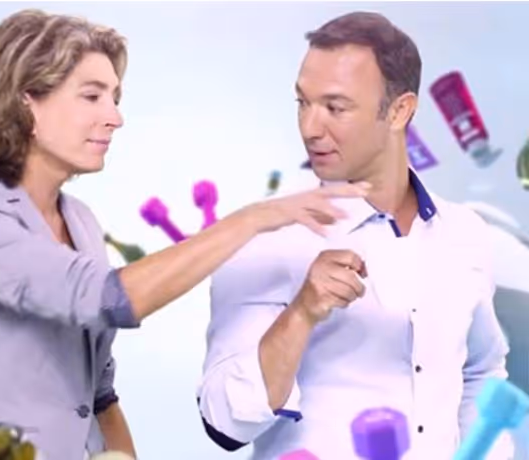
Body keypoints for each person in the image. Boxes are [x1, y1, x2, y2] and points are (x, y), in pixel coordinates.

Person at [0, 9, 369, 460]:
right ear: (26, 102)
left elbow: (99, 396)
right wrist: (253, 219)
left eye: (115, 98)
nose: (115, 117)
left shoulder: (80, 222)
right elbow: (107, 298)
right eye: (92, 96)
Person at [196, 11, 513, 460]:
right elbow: (223, 423)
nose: (310, 127)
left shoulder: (465, 234)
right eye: (303, 103)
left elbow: (480, 374)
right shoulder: (265, 238)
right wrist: (301, 314)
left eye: (335, 108)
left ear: (400, 111)